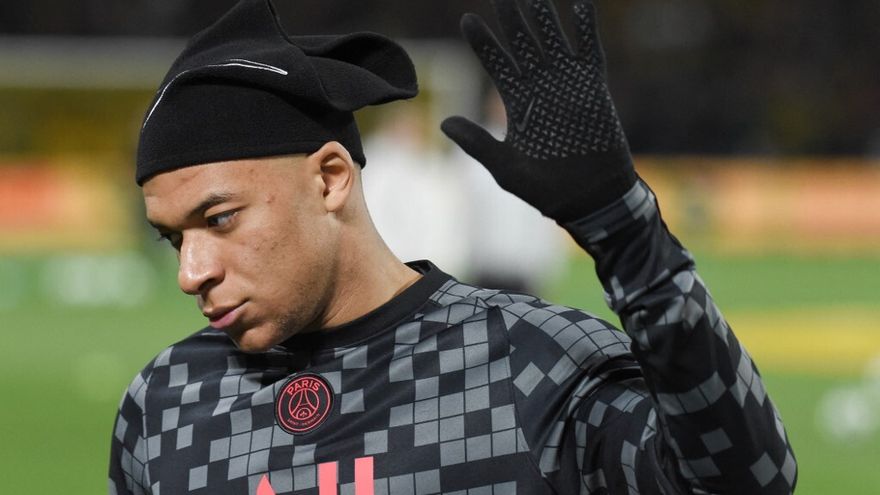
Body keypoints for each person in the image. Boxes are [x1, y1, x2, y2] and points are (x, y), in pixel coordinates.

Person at [109, 0, 797, 494]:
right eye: (173, 238)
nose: (190, 272)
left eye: (219, 219)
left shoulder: (531, 363)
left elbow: (748, 481)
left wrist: (627, 233)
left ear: (330, 179)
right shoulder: (165, 402)